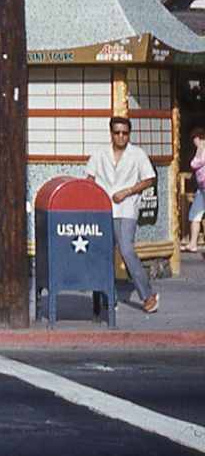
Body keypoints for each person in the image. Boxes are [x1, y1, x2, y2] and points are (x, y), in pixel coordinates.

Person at [87, 115, 159, 312]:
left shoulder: (137, 154)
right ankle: (107, 296)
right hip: (103, 209)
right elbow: (90, 178)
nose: (121, 137)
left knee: (126, 250)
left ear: (129, 134)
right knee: (103, 253)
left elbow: (149, 179)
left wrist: (128, 191)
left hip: (127, 208)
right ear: (111, 133)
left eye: (125, 133)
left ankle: (147, 295)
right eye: (117, 132)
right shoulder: (100, 154)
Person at [186, 126, 205, 254]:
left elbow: (195, 163)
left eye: (195, 139)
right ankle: (193, 243)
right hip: (201, 188)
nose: (194, 142)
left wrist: (200, 148)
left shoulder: (202, 149)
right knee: (195, 214)